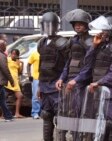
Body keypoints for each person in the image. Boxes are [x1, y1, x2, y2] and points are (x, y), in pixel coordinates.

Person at [55, 9, 93, 141]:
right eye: (75, 24)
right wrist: (61, 78)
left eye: (81, 24)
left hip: (81, 83)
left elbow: (89, 66)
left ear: (86, 25)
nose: (78, 26)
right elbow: (68, 62)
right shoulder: (72, 40)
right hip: (69, 82)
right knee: (67, 113)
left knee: (79, 113)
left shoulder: (90, 41)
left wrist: (76, 80)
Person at [88, 15, 112, 140]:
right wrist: (93, 46)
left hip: (111, 93)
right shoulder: (102, 46)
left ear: (111, 31)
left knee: (111, 125)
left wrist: (99, 82)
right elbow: (87, 62)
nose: (101, 33)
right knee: (99, 126)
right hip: (99, 92)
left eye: (104, 30)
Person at [38, 12, 69, 141]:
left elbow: (67, 63)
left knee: (60, 116)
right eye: (46, 25)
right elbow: (41, 65)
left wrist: (63, 79)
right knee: (46, 114)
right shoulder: (42, 43)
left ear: (56, 26)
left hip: (57, 85)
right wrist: (39, 85)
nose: (48, 27)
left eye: (51, 25)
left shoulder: (62, 42)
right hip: (45, 85)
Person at [5, 49, 25, 118]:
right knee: (3, 98)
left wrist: (21, 64)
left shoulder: (17, 62)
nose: (14, 55)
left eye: (15, 54)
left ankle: (17, 113)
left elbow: (20, 72)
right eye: (13, 54)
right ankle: (2, 114)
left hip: (15, 82)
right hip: (8, 81)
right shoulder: (7, 60)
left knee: (20, 96)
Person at [0, 39, 14, 122]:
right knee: (2, 99)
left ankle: (8, 116)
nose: (6, 47)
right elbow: (5, 69)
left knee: (2, 99)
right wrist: (11, 80)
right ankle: (8, 116)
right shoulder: (1, 56)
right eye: (5, 45)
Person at [27, 50, 40, 119]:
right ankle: (35, 112)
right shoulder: (34, 54)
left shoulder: (47, 54)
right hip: (36, 78)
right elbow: (28, 65)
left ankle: (42, 112)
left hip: (46, 78)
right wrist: (29, 75)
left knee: (45, 95)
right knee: (35, 96)